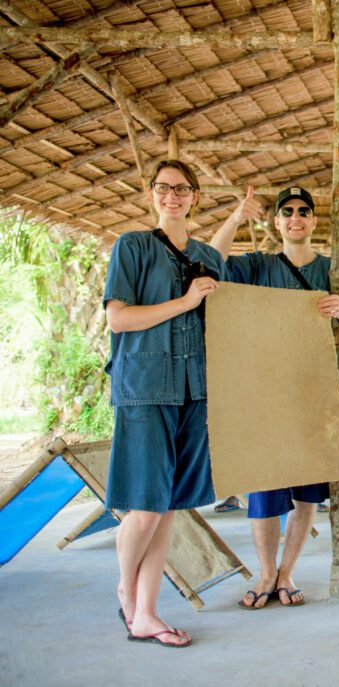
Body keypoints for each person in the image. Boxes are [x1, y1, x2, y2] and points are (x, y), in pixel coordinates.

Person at [208, 185, 339, 609]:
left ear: (313, 221)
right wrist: (236, 217)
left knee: (306, 493)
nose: (296, 217)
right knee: (264, 488)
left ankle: (286, 573)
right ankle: (265, 573)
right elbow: (209, 263)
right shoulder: (258, 266)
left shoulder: (333, 270)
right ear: (277, 222)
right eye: (288, 212)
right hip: (265, 395)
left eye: (303, 211)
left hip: (315, 395)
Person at [104, 159, 228, 647]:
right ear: (152, 194)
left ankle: (147, 613)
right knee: (145, 508)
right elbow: (118, 320)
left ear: (195, 197)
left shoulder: (206, 257)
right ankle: (126, 590)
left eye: (181, 189)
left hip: (195, 392)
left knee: (169, 507)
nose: (171, 196)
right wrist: (185, 302)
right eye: (163, 188)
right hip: (146, 385)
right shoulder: (132, 246)